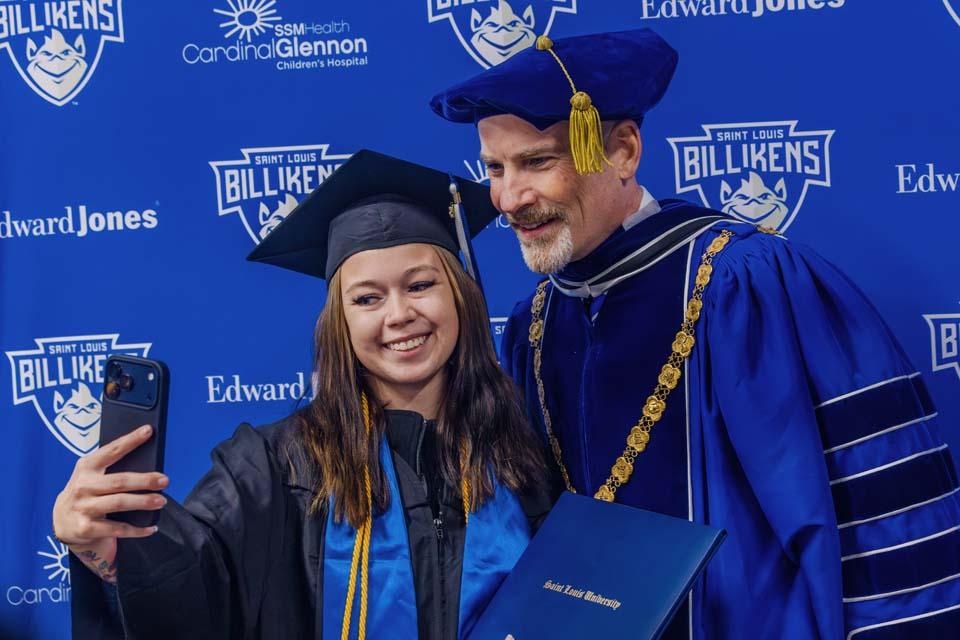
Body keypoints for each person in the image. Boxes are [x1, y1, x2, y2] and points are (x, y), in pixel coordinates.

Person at [430, 29, 960, 639]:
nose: (508, 197)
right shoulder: (535, 327)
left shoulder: (746, 285)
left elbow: (878, 505)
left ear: (624, 151)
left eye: (538, 162)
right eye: (494, 168)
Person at [53, 150, 552, 640]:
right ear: (341, 323)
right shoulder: (276, 465)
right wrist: (104, 544)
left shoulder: (521, 452)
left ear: (460, 295)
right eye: (367, 298)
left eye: (420, 285)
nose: (398, 314)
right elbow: (194, 580)